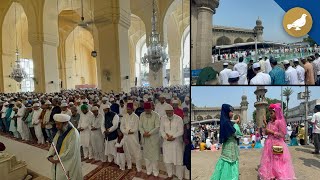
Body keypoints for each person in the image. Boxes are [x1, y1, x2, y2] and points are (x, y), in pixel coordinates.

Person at [258, 103, 296, 179]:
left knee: (277, 160)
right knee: (269, 159)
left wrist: (272, 132)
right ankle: (271, 174)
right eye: (270, 113)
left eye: (271, 113)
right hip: (269, 143)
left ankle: (278, 175)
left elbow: (282, 135)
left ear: (276, 113)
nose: (270, 115)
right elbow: (266, 132)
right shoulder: (269, 122)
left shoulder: (279, 122)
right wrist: (265, 124)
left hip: (277, 144)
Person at [47, 114, 83, 180]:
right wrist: (50, 156)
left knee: (67, 177)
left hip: (68, 162)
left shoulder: (73, 133)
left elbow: (70, 152)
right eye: (56, 124)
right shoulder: (61, 131)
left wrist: (56, 159)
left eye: (58, 124)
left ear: (65, 123)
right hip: (58, 160)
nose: (56, 126)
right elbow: (54, 144)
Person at [211, 104, 240, 180]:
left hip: (228, 145)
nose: (232, 113)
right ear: (227, 112)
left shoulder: (225, 121)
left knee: (225, 163)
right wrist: (236, 125)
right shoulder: (227, 122)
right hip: (230, 146)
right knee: (230, 162)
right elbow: (236, 133)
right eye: (231, 112)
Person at [160, 104, 184, 180]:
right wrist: (166, 137)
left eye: (170, 112)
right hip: (166, 142)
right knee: (167, 160)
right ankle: (170, 175)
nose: (168, 114)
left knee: (178, 161)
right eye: (167, 113)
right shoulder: (163, 118)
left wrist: (173, 136)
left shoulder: (179, 119)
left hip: (176, 143)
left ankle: (179, 177)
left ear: (173, 111)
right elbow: (161, 130)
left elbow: (181, 131)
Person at [120, 102, 142, 176]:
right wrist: (126, 132)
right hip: (126, 137)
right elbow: (121, 126)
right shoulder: (124, 116)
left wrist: (129, 131)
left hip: (133, 138)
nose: (128, 110)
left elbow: (136, 128)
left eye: (129, 109)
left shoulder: (136, 117)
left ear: (132, 109)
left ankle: (138, 167)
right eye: (127, 109)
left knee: (136, 152)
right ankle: (129, 166)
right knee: (127, 151)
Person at [139, 102, 160, 178]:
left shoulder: (156, 115)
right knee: (146, 156)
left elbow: (157, 127)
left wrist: (150, 133)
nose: (147, 111)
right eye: (146, 110)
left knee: (154, 156)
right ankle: (149, 170)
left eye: (148, 109)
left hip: (153, 139)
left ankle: (155, 171)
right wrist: (143, 133)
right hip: (145, 138)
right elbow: (140, 126)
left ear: (151, 108)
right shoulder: (142, 115)